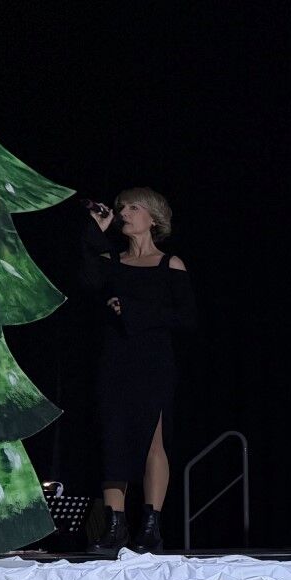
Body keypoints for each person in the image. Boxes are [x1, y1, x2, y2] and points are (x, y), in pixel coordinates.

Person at [80, 189, 197, 555]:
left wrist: (134, 310)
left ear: (154, 218)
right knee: (113, 435)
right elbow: (87, 282)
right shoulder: (110, 259)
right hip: (115, 359)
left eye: (133, 207)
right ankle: (115, 524)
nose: (124, 213)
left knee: (152, 440)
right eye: (122, 208)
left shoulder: (169, 264)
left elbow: (187, 319)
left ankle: (151, 525)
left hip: (153, 361)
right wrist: (96, 231)